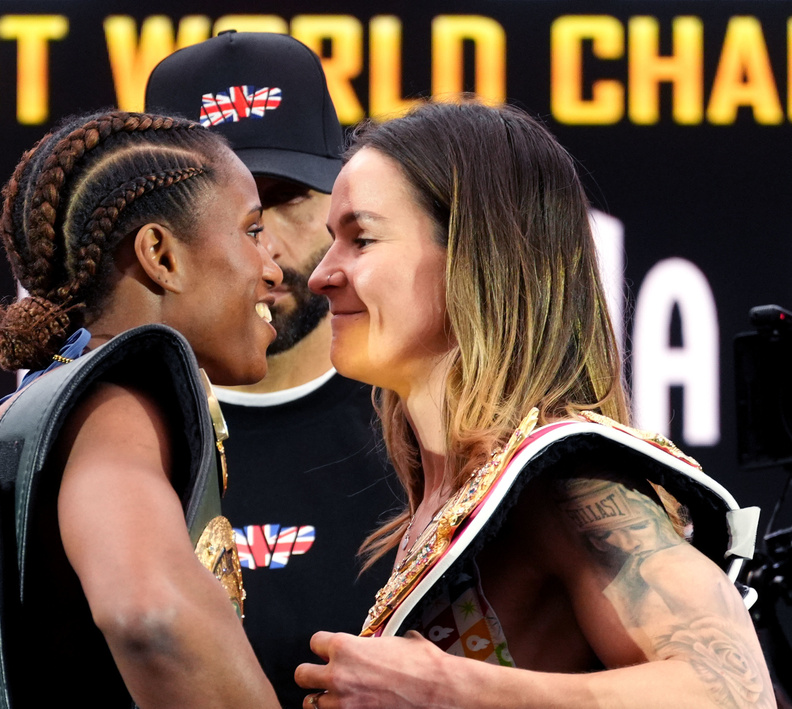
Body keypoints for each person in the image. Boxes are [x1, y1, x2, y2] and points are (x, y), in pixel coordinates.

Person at [295, 100, 776, 708]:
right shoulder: (447, 494)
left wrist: (442, 688)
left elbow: (735, 694)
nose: (321, 275)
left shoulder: (565, 482)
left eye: (360, 239)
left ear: (474, 259)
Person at [0, 110, 283, 708]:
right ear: (160, 255)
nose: (272, 266)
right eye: (253, 229)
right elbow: (150, 615)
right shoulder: (116, 407)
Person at [144, 31, 399, 707]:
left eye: (284, 198)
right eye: (233, 213)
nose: (267, 250)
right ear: (157, 240)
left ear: (341, 200)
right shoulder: (105, 436)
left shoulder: (426, 425)